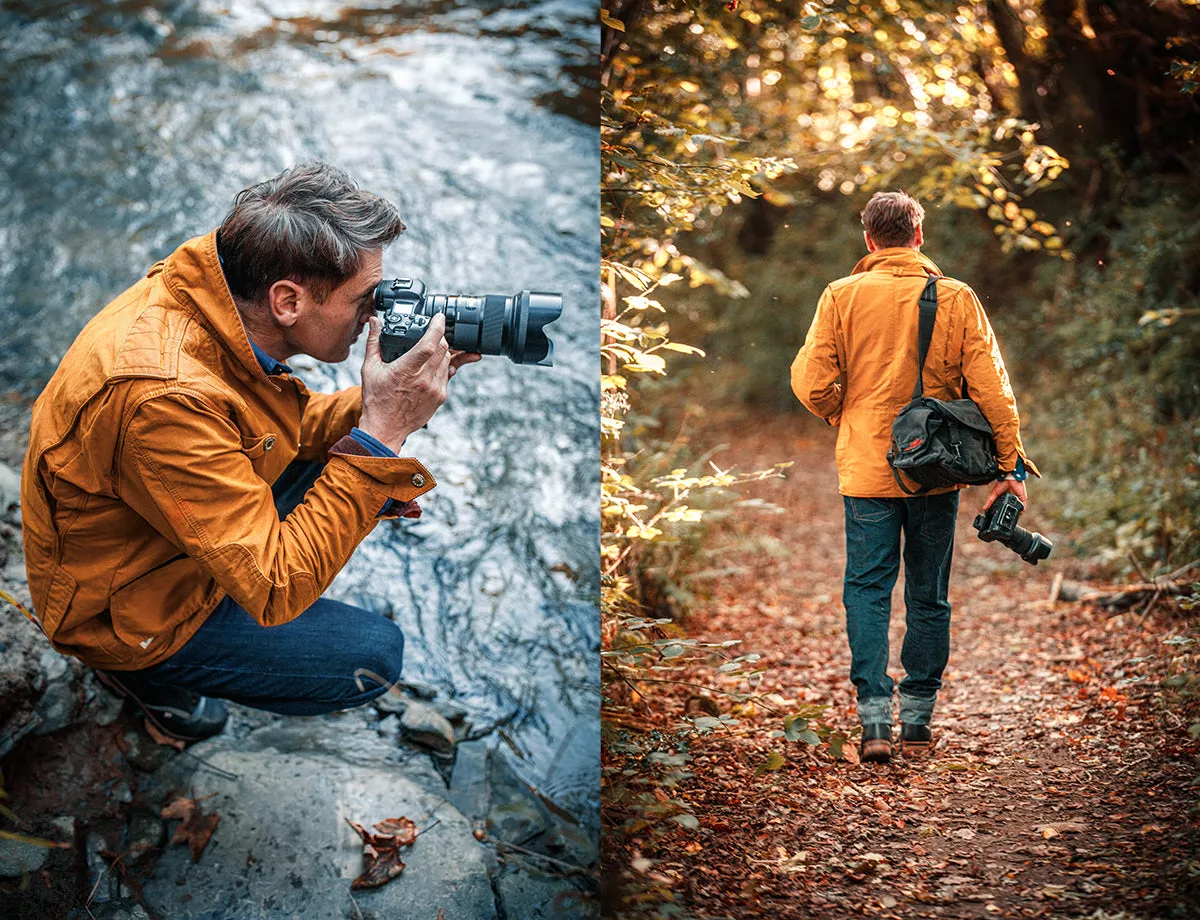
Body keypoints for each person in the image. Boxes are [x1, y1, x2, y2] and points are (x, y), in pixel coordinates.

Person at [21, 162, 480, 743]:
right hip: (119, 610)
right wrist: (381, 438)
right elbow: (275, 587)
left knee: (335, 466)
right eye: (365, 299)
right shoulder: (163, 397)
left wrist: (388, 399)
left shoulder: (212, 298)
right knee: (371, 658)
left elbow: (282, 424)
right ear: (287, 300)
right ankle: (143, 676)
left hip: (158, 527)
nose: (378, 314)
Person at [790, 190, 1039, 764]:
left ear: (869, 240)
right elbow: (993, 389)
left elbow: (810, 381)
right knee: (929, 593)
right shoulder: (954, 297)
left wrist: (841, 413)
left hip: (866, 469)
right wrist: (1011, 465)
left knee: (868, 588)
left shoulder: (841, 295)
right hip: (935, 471)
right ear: (919, 236)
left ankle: (874, 719)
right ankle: (918, 719)